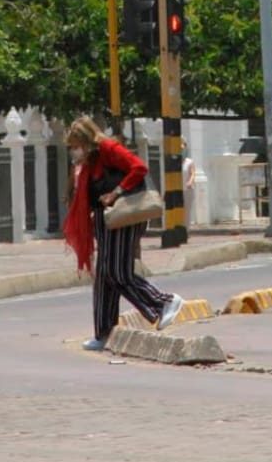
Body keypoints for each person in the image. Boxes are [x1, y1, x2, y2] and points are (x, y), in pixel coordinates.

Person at [63, 116, 184, 351]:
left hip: (123, 217)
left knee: (118, 272)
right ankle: (104, 331)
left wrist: (116, 193)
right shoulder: (90, 161)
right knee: (104, 277)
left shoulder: (108, 148)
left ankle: (164, 302)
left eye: (77, 145)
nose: (75, 151)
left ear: (87, 140)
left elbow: (139, 168)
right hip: (104, 219)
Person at [181, 140, 197, 227]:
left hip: (187, 190)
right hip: (178, 190)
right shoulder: (174, 163)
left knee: (187, 211)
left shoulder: (189, 162)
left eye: (182, 149)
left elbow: (192, 173)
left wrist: (190, 182)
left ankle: (186, 230)